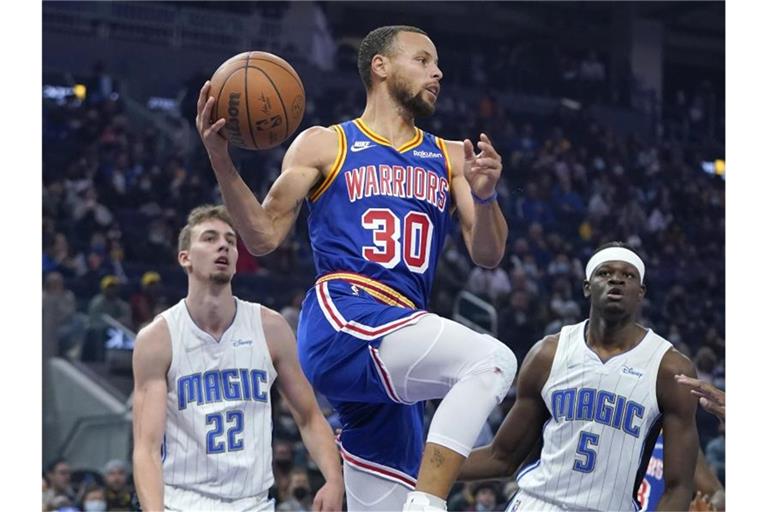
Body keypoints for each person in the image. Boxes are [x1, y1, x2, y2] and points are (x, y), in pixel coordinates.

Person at [196, 25, 518, 511]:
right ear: (380, 66)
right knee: (492, 361)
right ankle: (429, 503)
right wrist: (222, 162)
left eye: (437, 64)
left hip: (395, 344)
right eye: (423, 60)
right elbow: (261, 237)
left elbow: (488, 253)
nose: (438, 72)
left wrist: (487, 195)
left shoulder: (452, 156)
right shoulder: (325, 144)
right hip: (345, 316)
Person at [131, 205, 343, 511]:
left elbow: (308, 415)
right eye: (210, 238)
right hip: (183, 503)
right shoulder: (157, 339)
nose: (223, 246)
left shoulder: (270, 327)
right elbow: (146, 448)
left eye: (231, 240)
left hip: (254, 503)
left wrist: (334, 479)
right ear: (185, 258)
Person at [459, 242, 700, 511]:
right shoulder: (548, 354)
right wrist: (424, 463)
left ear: (641, 292)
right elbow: (501, 456)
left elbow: (679, 487)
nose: (616, 279)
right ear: (587, 287)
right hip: (538, 503)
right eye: (605, 273)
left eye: (628, 275)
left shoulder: (670, 368)